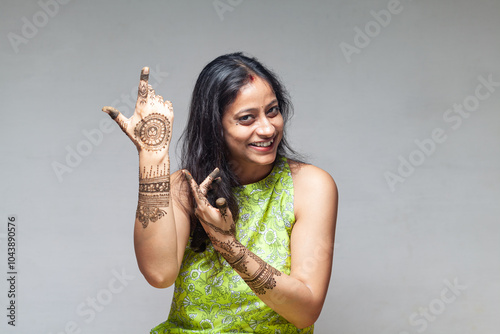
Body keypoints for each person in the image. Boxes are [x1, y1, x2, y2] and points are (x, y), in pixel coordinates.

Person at [102, 52, 338, 333]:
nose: (267, 128)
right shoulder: (183, 188)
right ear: (215, 126)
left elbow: (305, 311)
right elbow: (159, 274)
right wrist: (153, 158)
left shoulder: (310, 186)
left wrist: (228, 245)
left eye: (272, 111)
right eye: (247, 118)